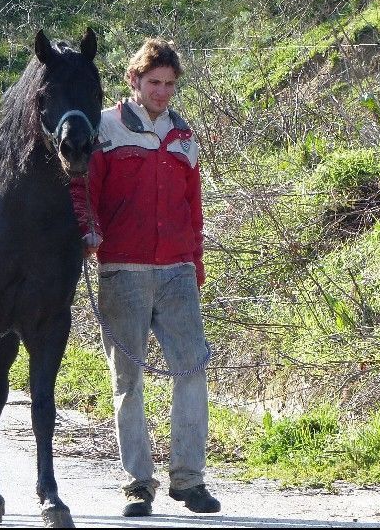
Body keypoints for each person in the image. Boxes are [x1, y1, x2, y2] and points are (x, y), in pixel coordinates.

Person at [70, 38, 220, 518]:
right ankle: (137, 484)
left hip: (177, 271)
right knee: (127, 380)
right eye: (154, 82)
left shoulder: (184, 136)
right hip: (123, 271)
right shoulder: (106, 130)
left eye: (170, 84)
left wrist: (195, 262)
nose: (162, 92)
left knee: (192, 371)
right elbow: (84, 191)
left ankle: (190, 480)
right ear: (133, 81)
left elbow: (194, 207)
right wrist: (89, 233)